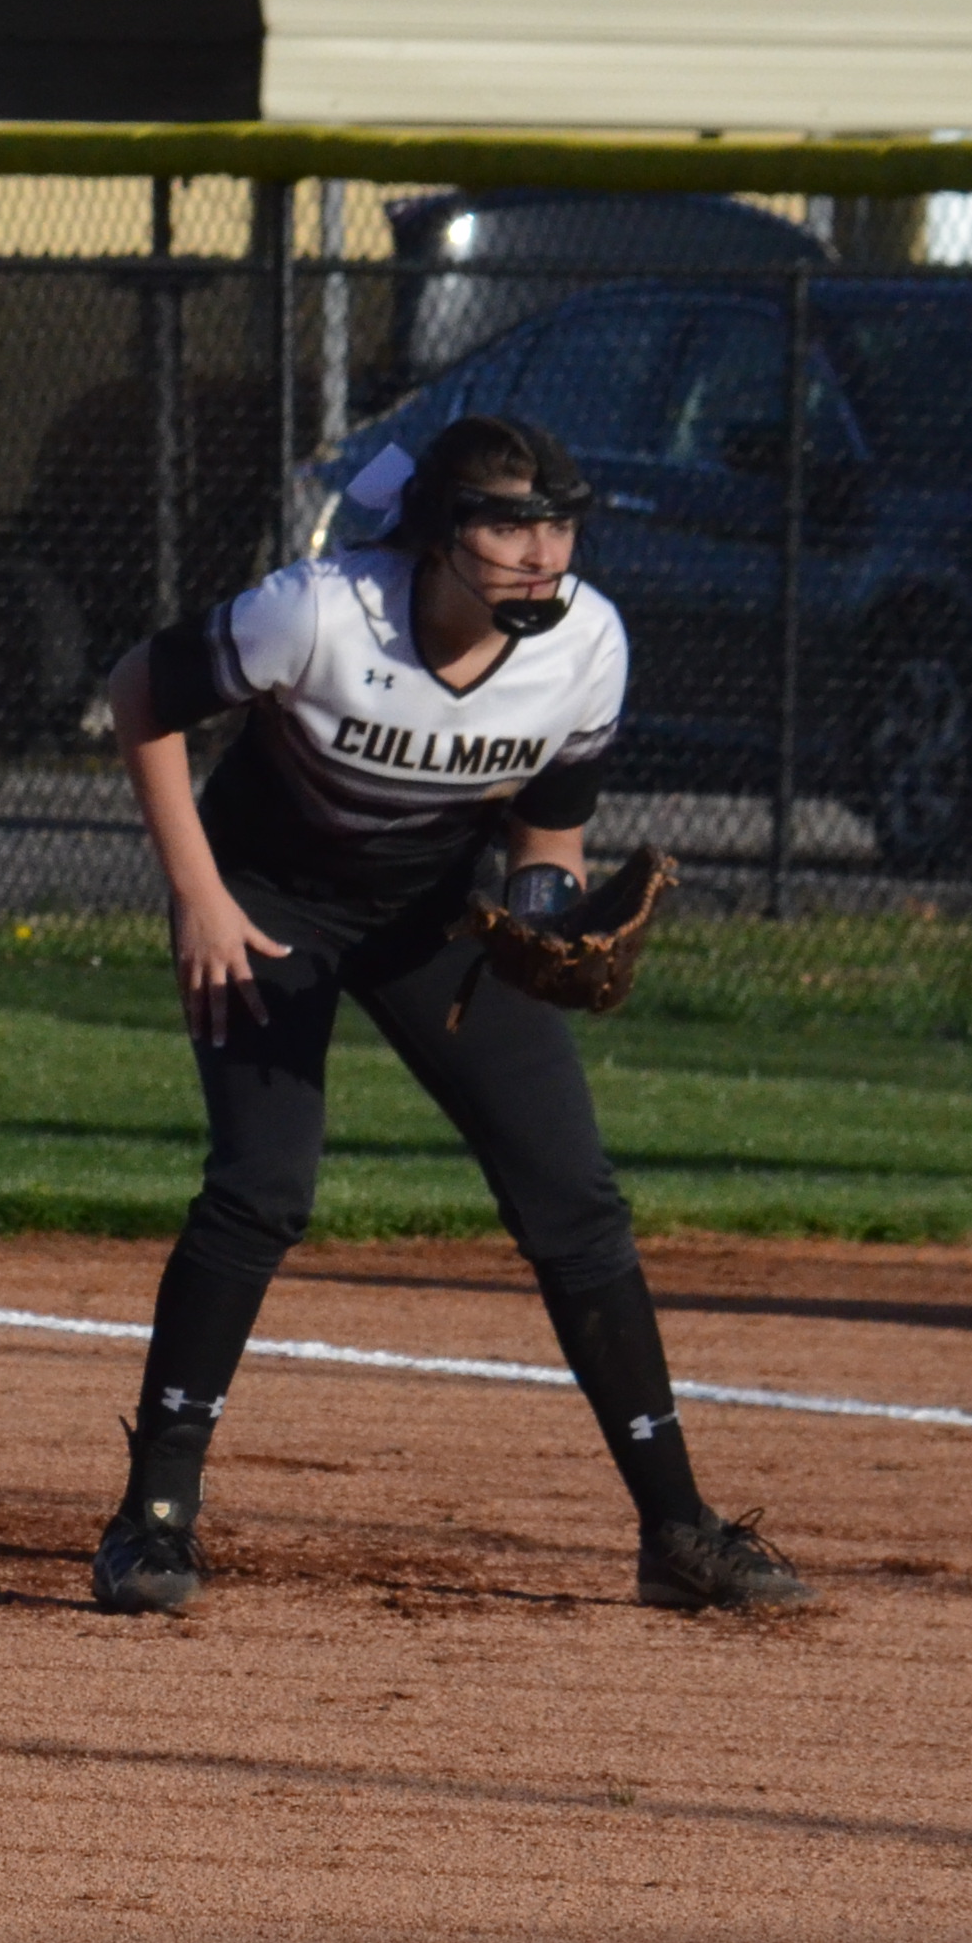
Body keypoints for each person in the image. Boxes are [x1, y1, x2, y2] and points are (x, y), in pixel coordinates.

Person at [87, 411, 813, 1620]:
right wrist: (198, 896)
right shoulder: (318, 611)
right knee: (262, 1185)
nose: (538, 553)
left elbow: (546, 834)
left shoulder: (585, 645)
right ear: (430, 536)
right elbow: (137, 694)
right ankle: (149, 1521)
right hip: (264, 900)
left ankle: (675, 1529)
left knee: (570, 1198)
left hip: (431, 914)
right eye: (502, 524)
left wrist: (547, 918)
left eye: (557, 525)